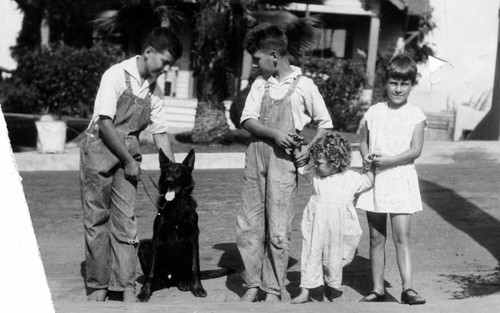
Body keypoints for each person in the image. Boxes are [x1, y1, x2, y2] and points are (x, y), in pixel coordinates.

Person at [80, 27, 182, 302]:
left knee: (126, 221)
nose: (166, 69)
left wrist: (174, 172)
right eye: (164, 62)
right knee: (96, 219)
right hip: (100, 147)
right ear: (149, 52)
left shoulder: (155, 91)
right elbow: (104, 122)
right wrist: (127, 160)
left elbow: (160, 133)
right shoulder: (115, 74)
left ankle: (125, 285)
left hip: (129, 154)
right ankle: (98, 285)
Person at [236, 23, 333, 302]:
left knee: (278, 229)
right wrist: (276, 133)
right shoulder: (259, 84)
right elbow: (247, 120)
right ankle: (252, 283)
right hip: (256, 159)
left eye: (258, 59)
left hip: (284, 164)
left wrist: (309, 150)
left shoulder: (305, 86)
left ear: (275, 55)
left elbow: (324, 124)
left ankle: (273, 288)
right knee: (250, 225)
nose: (256, 65)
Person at [356, 54, 427, 305]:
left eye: (404, 84)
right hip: (377, 179)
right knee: (376, 237)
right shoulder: (374, 112)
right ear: (385, 83)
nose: (398, 89)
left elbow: (415, 150)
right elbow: (363, 140)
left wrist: (390, 161)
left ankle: (408, 288)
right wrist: (367, 159)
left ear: (411, 86)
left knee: (401, 236)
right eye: (394, 83)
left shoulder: (416, 115)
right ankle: (377, 288)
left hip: (400, 178)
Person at [291, 132, 374, 304]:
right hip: (317, 223)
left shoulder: (350, 178)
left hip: (338, 226)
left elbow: (368, 181)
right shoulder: (316, 175)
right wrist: (297, 147)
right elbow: (301, 166)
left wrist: (370, 164)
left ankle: (332, 286)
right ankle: (305, 290)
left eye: (319, 163)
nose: (316, 166)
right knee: (311, 254)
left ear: (335, 162)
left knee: (334, 257)